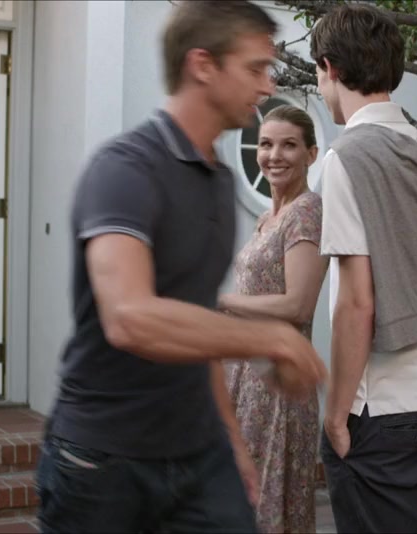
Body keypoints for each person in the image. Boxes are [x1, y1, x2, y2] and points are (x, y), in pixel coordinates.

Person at [34, 2, 327, 533]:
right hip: (103, 461)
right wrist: (272, 338)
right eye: (255, 68)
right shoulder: (125, 169)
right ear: (203, 65)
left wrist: (231, 439)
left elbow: (198, 324)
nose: (268, 86)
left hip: (197, 453)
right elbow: (130, 317)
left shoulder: (216, 181)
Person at [310, 4, 417, 533]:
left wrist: (335, 415)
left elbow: (356, 302)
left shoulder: (347, 158)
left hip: (379, 413)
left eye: (318, 72)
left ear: (330, 67)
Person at [217, 104, 327, 534]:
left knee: (267, 507)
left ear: (311, 154)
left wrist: (224, 303)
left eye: (289, 145)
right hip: (245, 376)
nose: (274, 155)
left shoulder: (306, 212)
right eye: (265, 144)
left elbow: (299, 305)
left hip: (278, 384)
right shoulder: (268, 218)